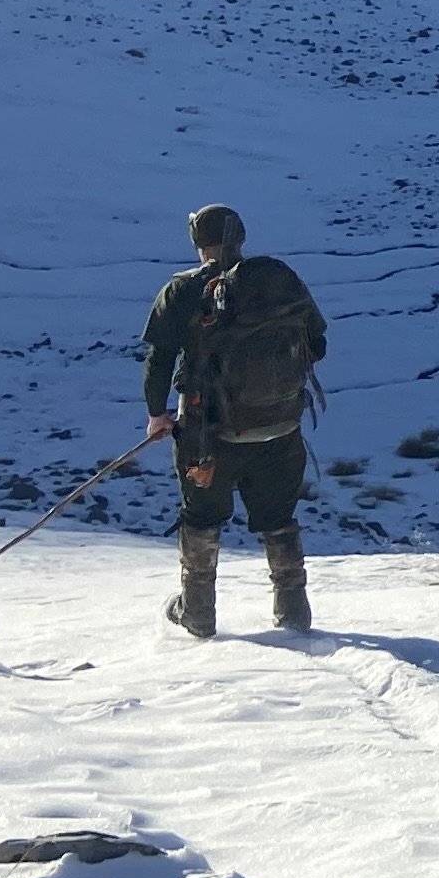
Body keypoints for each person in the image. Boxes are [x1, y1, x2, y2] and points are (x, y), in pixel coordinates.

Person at [140, 204, 329, 637]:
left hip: (209, 435)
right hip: (280, 429)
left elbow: (159, 360)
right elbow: (316, 344)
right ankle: (294, 616)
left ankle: (198, 614)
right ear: (242, 236)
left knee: (202, 518)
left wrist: (158, 414)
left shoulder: (183, 291)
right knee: (279, 519)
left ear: (196, 242)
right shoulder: (279, 282)